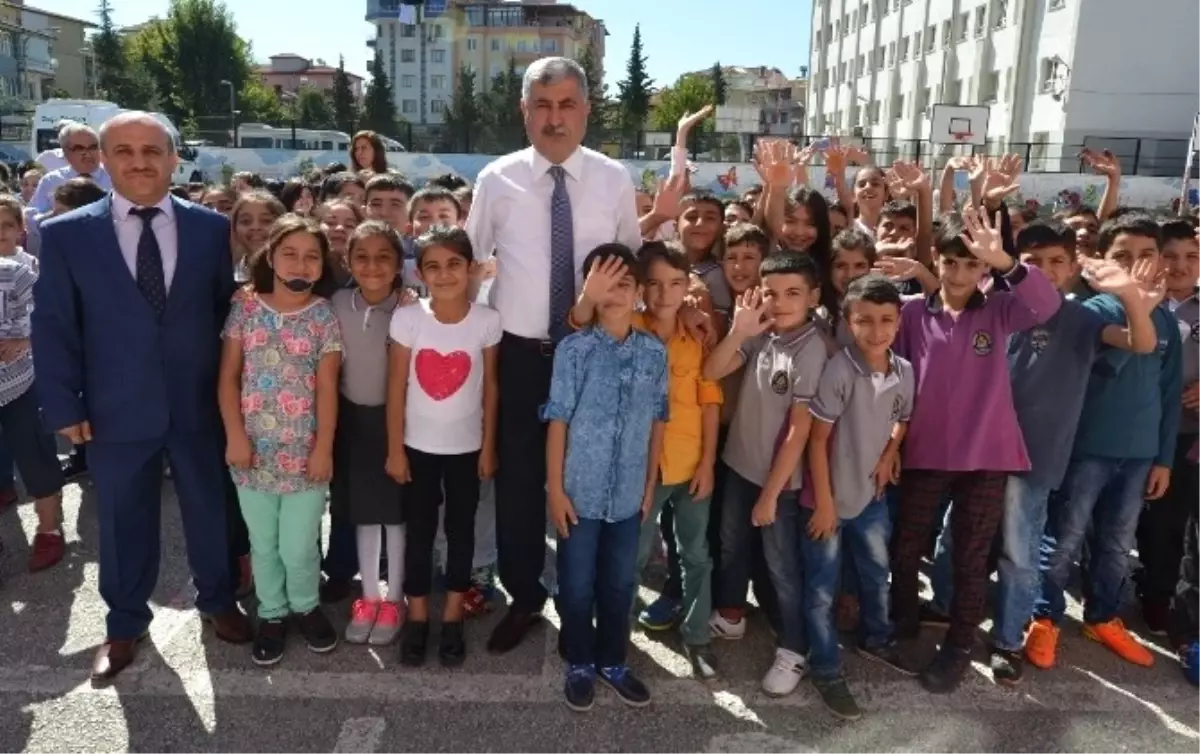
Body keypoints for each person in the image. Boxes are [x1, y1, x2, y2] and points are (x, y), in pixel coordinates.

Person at [31, 111, 252, 684]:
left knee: (210, 508)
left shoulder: (210, 229)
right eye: (124, 151)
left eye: (152, 150)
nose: (139, 162)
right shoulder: (66, 234)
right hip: (113, 408)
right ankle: (125, 623)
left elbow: (223, 315)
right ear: (104, 160)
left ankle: (219, 600)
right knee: (122, 520)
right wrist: (64, 405)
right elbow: (53, 324)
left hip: (198, 403)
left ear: (174, 158)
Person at [465, 56, 642, 654]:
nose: (555, 117)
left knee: (585, 480)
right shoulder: (497, 179)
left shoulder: (614, 180)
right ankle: (524, 595)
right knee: (518, 483)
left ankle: (579, 600)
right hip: (520, 356)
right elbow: (471, 264)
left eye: (567, 104)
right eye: (542, 105)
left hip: (593, 356)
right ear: (524, 111)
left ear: (586, 110)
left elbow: (630, 266)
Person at [970, 220, 1160, 685]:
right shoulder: (994, 304)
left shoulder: (1082, 319)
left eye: (1057, 261)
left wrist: (1131, 297)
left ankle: (1008, 639)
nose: (1046, 270)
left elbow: (1141, 342)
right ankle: (947, 615)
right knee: (962, 540)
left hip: (1034, 456)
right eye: (1033, 262)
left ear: (1074, 267)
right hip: (979, 449)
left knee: (1020, 553)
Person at [890, 207, 1061, 694]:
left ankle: (960, 645)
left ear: (983, 267)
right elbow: (894, 379)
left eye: (971, 264)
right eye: (951, 262)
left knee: (970, 555)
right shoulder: (910, 312)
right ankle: (902, 623)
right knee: (906, 546)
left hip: (986, 455)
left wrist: (1006, 262)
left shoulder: (1000, 309)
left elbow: (1047, 304)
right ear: (936, 260)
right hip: (923, 452)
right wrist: (892, 444)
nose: (960, 273)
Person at [1028, 212, 1182, 671]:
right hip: (1087, 448)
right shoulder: (1089, 312)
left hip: (1138, 455)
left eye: (1146, 255)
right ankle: (1045, 615)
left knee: (1117, 543)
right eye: (1123, 256)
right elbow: (1105, 367)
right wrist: (1135, 305)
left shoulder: (1166, 320)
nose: (1136, 265)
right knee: (1065, 537)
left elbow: (1169, 394)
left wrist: (1163, 458)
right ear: (1102, 260)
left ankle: (1102, 616)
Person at [569, 241, 722, 680]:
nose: (664, 293)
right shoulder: (626, 325)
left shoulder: (697, 337)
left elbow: (710, 401)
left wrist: (708, 462)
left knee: (695, 554)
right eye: (653, 283)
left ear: (688, 286)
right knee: (629, 558)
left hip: (690, 465)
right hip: (638, 470)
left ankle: (697, 636)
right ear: (640, 287)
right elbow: (579, 323)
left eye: (675, 284)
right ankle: (617, 636)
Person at [544, 243, 667, 711]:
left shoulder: (653, 353)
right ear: (589, 290)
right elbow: (558, 420)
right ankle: (579, 661)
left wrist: (650, 483)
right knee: (576, 585)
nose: (615, 293)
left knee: (619, 584)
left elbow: (658, 419)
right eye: (605, 283)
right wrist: (556, 490)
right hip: (578, 492)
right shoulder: (573, 350)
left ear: (638, 293)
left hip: (629, 496)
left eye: (625, 283)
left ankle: (613, 661)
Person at [218, 214, 343, 667]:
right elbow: (228, 379)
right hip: (251, 452)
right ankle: (272, 612)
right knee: (263, 542)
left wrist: (323, 448)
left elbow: (327, 388)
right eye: (290, 253)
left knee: (298, 543)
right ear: (270, 257)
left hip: (304, 455)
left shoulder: (323, 316)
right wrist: (235, 436)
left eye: (312, 256)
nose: (301, 264)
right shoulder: (245, 309)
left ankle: (306, 605)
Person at [703, 251, 829, 697]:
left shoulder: (813, 349)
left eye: (793, 292)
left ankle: (794, 649)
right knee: (732, 544)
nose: (780, 302)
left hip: (781, 483)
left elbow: (799, 431)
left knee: (781, 567)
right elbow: (711, 371)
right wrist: (739, 331)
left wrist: (771, 494)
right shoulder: (762, 333)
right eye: (771, 292)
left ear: (814, 296)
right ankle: (731, 614)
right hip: (739, 465)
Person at [387, 226, 500, 667]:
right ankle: (417, 614)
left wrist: (488, 447)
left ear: (470, 268)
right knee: (418, 531)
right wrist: (395, 449)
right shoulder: (409, 318)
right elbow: (397, 387)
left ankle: (452, 612)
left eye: (454, 264)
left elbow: (490, 388)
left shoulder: (487, 321)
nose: (445, 274)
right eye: (433, 266)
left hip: (467, 449)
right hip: (416, 448)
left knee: (460, 530)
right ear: (419, 272)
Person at [805, 274, 915, 719]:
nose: (876, 330)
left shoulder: (904, 370)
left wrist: (890, 453)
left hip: (872, 497)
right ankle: (825, 666)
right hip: (830, 501)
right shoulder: (839, 371)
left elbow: (902, 417)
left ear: (899, 321)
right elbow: (816, 442)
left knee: (876, 572)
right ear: (848, 322)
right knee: (821, 590)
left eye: (886, 320)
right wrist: (825, 503)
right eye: (864, 320)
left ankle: (877, 638)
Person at [332, 222, 407, 647]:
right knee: (364, 513)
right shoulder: (336, 304)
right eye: (361, 256)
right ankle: (369, 596)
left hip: (399, 424)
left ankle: (394, 598)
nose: (372, 266)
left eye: (383, 257)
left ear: (399, 264)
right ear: (347, 261)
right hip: (353, 423)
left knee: (395, 515)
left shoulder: (412, 310)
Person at [29, 122, 113, 215]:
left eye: (93, 147)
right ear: (65, 151)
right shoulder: (51, 181)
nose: (88, 154)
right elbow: (32, 215)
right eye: (79, 148)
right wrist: (55, 215)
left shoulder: (114, 176)